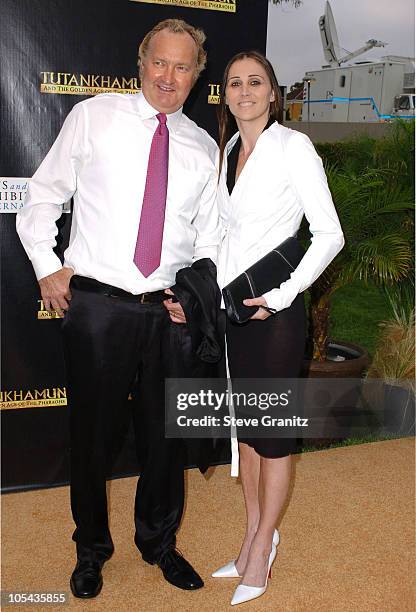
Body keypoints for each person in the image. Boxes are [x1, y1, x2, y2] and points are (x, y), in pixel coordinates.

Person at [16, 19, 220, 598]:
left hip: (167, 314)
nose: (169, 77)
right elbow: (43, 194)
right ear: (141, 62)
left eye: (183, 68)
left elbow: (206, 240)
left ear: (194, 78)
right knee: (92, 438)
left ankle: (159, 543)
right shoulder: (93, 116)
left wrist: (193, 293)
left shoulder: (203, 148)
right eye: (161, 62)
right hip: (99, 308)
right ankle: (91, 550)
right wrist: (46, 265)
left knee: (167, 439)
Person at [211, 51, 344, 606]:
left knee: (272, 436)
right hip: (234, 312)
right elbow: (223, 236)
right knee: (247, 434)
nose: (244, 91)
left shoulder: (293, 147)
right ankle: (250, 538)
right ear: (225, 94)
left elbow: (329, 233)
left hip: (276, 315)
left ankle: (264, 544)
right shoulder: (227, 152)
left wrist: (284, 295)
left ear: (273, 93)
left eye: (255, 82)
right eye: (234, 83)